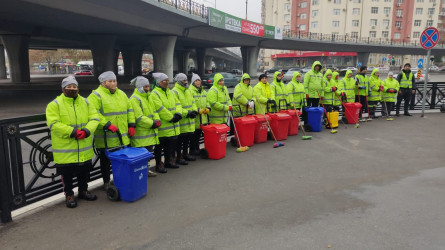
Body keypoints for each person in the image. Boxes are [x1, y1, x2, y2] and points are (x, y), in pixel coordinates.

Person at [46, 76, 99, 208]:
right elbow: (53, 124)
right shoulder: (55, 104)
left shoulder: (86, 102)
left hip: (83, 145)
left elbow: (95, 118)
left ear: (77, 88)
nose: (72, 89)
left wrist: (87, 131)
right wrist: (73, 132)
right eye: (68, 87)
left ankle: (83, 191)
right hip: (66, 148)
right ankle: (69, 195)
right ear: (63, 89)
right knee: (67, 174)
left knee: (83, 171)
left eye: (74, 86)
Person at [88, 71, 135, 189]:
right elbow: (93, 113)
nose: (113, 83)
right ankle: (106, 182)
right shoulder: (96, 95)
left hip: (121, 136)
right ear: (103, 83)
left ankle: (119, 179)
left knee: (121, 160)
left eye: (114, 81)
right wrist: (107, 124)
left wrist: (131, 125)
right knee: (105, 162)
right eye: (110, 81)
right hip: (106, 137)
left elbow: (129, 110)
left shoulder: (122, 94)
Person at [149, 73, 183, 171]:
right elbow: (160, 108)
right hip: (163, 126)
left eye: (168, 80)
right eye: (164, 80)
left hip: (172, 125)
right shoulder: (154, 94)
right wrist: (171, 118)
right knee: (159, 147)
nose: (167, 82)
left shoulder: (170, 92)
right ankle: (159, 164)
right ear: (158, 82)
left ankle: (169, 161)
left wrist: (178, 114)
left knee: (170, 146)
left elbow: (178, 103)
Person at [129, 76, 161, 177]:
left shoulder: (148, 97)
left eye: (148, 86)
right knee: (141, 155)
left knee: (148, 154)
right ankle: (140, 172)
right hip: (141, 133)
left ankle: (146, 170)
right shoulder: (134, 99)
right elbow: (139, 117)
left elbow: (154, 111)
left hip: (150, 131)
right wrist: (153, 123)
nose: (148, 88)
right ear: (139, 87)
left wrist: (157, 120)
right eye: (145, 87)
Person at [172, 73, 198, 165]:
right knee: (180, 141)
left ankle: (185, 154)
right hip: (182, 121)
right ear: (179, 81)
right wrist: (187, 113)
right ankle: (179, 156)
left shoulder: (188, 91)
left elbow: (193, 102)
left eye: (186, 80)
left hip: (189, 120)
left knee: (187, 139)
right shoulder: (174, 91)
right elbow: (176, 106)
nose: (186, 82)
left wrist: (194, 110)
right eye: (184, 80)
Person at [189, 73, 209, 156]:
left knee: (198, 135)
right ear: (193, 82)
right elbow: (190, 103)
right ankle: (193, 150)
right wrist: (197, 110)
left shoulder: (203, 91)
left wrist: (208, 108)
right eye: (196, 81)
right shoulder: (190, 91)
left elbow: (207, 101)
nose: (198, 82)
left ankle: (197, 149)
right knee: (193, 136)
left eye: (199, 80)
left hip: (202, 117)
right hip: (195, 117)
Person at [303, 61, 324, 130]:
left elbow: (322, 85)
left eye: (318, 66)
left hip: (317, 95)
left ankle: (314, 123)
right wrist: (306, 93)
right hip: (309, 95)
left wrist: (322, 94)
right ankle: (306, 124)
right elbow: (305, 84)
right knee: (308, 109)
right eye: (316, 66)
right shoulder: (308, 74)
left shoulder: (321, 75)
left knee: (315, 110)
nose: (317, 67)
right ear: (314, 66)